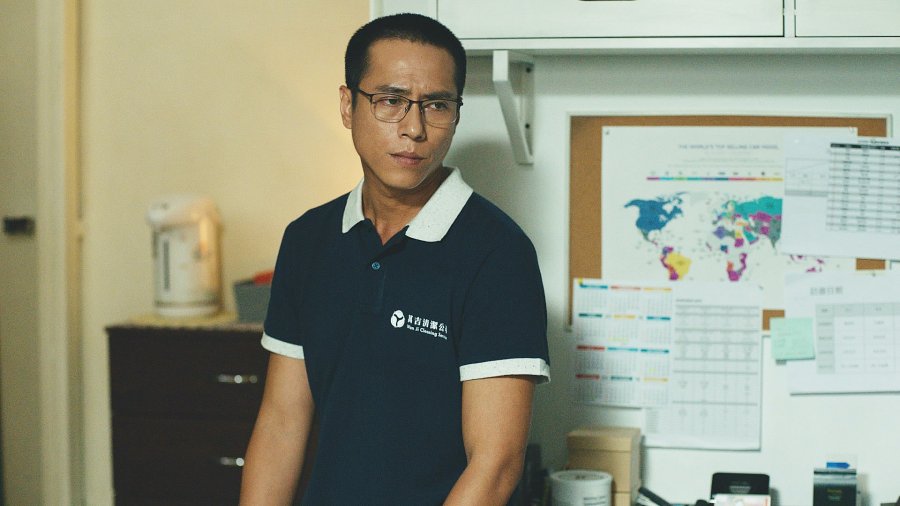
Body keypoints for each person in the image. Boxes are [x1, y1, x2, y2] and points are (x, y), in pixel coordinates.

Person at [240, 13, 550, 505]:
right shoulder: (307, 239)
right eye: (390, 101)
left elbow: (495, 464)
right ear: (348, 105)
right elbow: (281, 423)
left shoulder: (498, 254)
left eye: (437, 105)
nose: (414, 128)